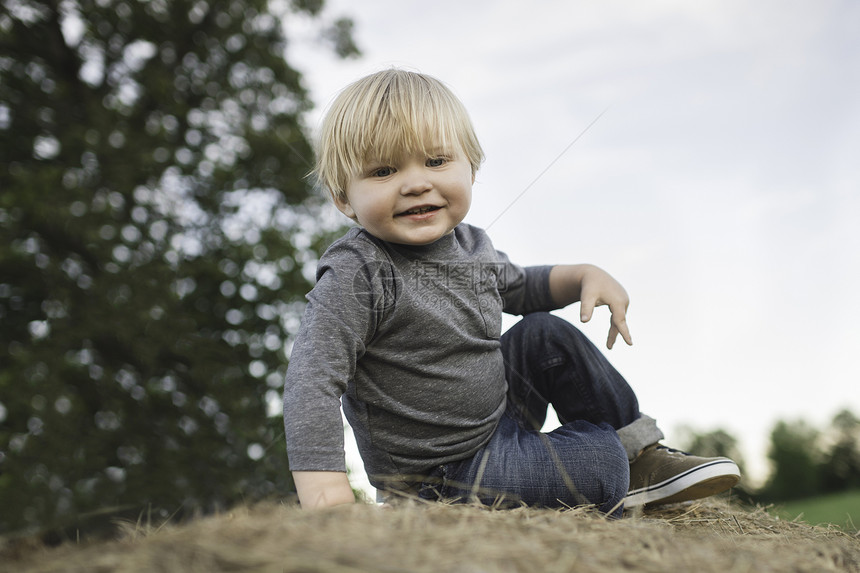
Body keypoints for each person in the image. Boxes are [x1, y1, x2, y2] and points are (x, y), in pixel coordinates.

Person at [283, 69, 740, 515]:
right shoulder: (357, 272)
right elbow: (311, 379)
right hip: (439, 473)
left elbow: (527, 287)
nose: (416, 182)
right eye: (384, 170)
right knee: (602, 462)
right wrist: (327, 497)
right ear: (344, 198)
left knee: (545, 333)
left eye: (437, 161)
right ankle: (612, 467)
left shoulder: (473, 247)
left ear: (472, 167)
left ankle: (642, 457)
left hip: (498, 419)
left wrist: (584, 274)